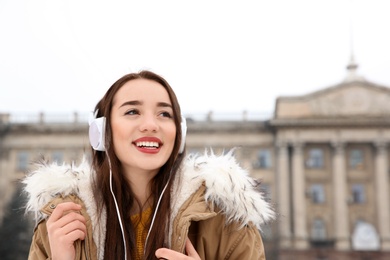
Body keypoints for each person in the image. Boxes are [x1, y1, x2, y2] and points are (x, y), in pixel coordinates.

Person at [23, 70, 275, 260]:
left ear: (179, 134)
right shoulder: (60, 225)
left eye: (165, 114)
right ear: (101, 132)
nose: (151, 125)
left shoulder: (227, 221)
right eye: (132, 111)